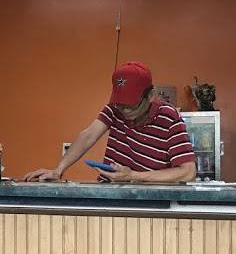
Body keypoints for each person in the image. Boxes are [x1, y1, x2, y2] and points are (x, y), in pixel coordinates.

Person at [24, 62, 197, 184]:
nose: (124, 111)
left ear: (151, 95)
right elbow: (88, 135)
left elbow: (188, 172)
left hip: (150, 202)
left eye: (131, 105)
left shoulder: (169, 117)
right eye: (120, 104)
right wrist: (58, 169)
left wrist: (133, 176)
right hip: (110, 193)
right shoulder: (114, 109)